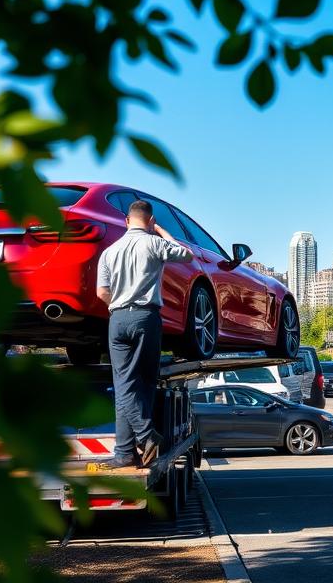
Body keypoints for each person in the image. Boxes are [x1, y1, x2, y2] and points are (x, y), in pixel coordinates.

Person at [94, 199, 194, 469]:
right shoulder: (154, 243)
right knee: (146, 382)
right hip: (146, 318)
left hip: (117, 318)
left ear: (127, 221)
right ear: (149, 222)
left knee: (124, 385)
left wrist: (120, 305)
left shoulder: (110, 252)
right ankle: (147, 434)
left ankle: (125, 452)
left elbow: (101, 293)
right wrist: (159, 230)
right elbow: (186, 254)